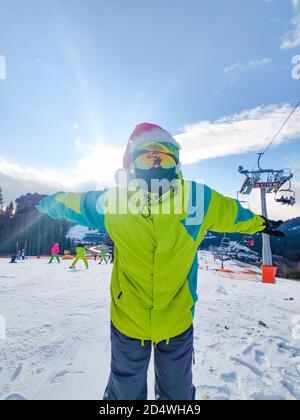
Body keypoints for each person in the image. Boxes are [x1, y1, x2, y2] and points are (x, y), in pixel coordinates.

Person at [36, 122, 284, 400]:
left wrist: (260, 223)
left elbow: (232, 213)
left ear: (176, 163)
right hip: (129, 318)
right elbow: (73, 203)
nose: (155, 165)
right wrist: (44, 202)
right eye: (146, 157)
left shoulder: (197, 199)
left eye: (164, 157)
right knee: (124, 393)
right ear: (133, 164)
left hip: (176, 320)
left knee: (176, 394)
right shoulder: (114, 202)